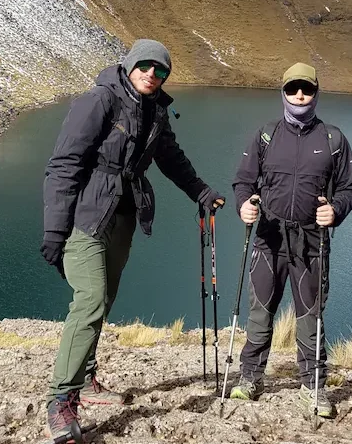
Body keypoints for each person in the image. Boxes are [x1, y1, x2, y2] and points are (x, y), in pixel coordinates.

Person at [40, 39, 225, 438]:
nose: (152, 75)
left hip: (122, 217)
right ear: (128, 65)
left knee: (103, 300)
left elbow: (170, 157)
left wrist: (201, 191)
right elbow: (63, 165)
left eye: (161, 71)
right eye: (145, 66)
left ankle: (87, 380)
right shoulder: (99, 101)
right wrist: (55, 230)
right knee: (88, 301)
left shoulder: (156, 110)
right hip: (85, 218)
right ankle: (61, 401)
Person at [230, 62, 352, 416]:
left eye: (306, 88)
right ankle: (250, 378)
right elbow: (243, 181)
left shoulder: (333, 140)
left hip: (312, 244)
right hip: (269, 240)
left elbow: (349, 188)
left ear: (317, 92)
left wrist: (335, 211)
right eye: (292, 89)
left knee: (310, 318)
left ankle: (313, 387)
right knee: (260, 314)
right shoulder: (265, 135)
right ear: (283, 92)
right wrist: (244, 205)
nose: (299, 95)